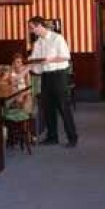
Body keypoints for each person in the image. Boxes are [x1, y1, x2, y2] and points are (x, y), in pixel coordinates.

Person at [28, 16, 77, 148]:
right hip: (46, 76)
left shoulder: (57, 38)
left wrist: (50, 60)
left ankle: (72, 138)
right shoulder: (37, 43)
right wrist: (25, 67)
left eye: (32, 28)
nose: (31, 31)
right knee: (48, 107)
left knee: (63, 107)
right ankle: (52, 137)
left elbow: (66, 56)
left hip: (59, 75)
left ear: (40, 26)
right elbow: (34, 61)